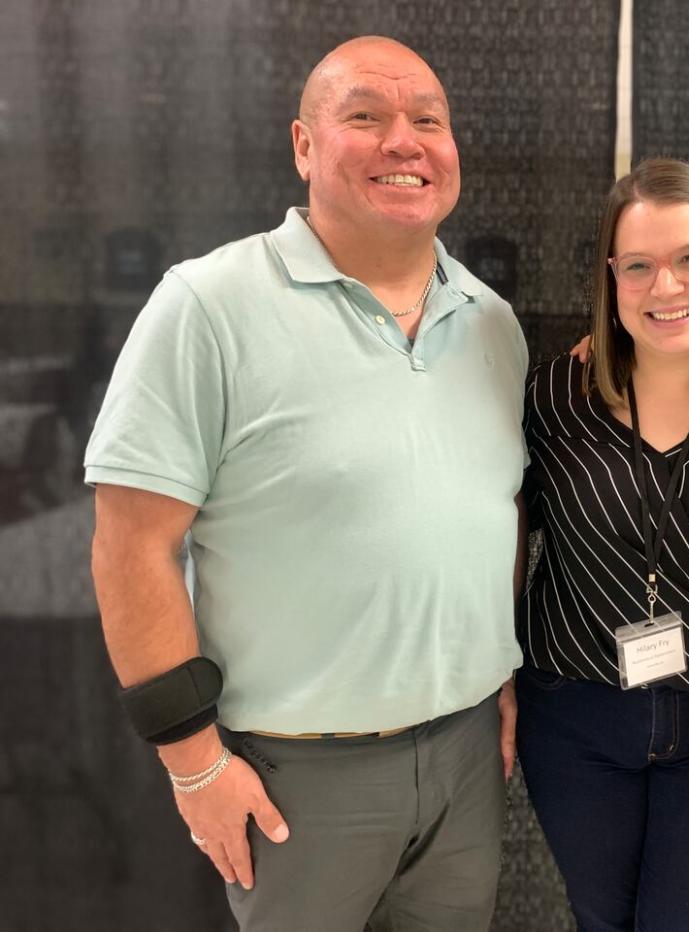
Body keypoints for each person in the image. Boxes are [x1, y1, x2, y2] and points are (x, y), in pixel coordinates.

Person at [85, 36, 527, 932]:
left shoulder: (494, 323)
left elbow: (494, 511)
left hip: (469, 756)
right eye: (366, 116)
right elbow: (132, 544)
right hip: (297, 779)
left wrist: (500, 668)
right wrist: (193, 764)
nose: (405, 141)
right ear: (303, 144)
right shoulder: (206, 305)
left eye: (428, 121)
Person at [520, 158, 689, 932]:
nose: (665, 288)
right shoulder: (555, 396)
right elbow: (495, 530)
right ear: (611, 278)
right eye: (638, 266)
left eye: (688, 259)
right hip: (574, 716)